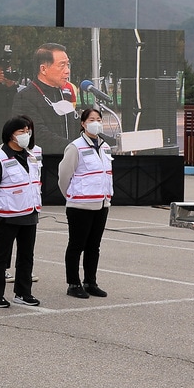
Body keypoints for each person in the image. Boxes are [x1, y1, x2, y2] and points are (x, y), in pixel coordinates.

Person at [0, 115, 42, 308]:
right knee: (1, 255)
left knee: (26, 255)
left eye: (27, 131)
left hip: (29, 213)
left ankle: (23, 292)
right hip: (7, 215)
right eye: (21, 132)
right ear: (10, 135)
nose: (26, 135)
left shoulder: (31, 157)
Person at [10, 43, 78, 206]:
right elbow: (39, 135)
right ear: (44, 69)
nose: (67, 70)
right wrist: (76, 148)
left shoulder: (64, 93)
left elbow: (77, 126)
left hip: (69, 175)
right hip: (44, 179)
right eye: (62, 65)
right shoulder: (25, 97)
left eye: (68, 64)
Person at [58, 108, 113, 298]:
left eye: (99, 119)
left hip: (101, 204)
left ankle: (91, 282)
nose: (96, 122)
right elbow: (64, 176)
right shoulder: (75, 147)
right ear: (83, 123)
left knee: (94, 246)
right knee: (76, 245)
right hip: (80, 206)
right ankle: (73, 283)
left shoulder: (105, 146)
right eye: (91, 119)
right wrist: (72, 195)